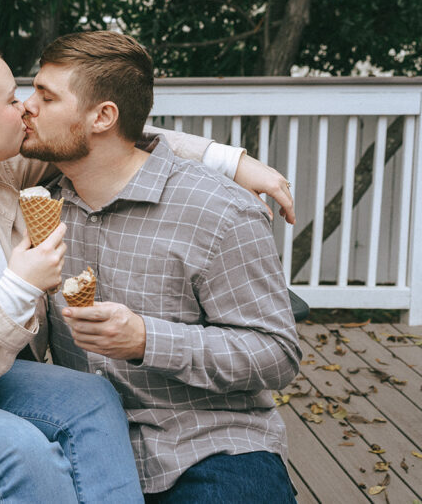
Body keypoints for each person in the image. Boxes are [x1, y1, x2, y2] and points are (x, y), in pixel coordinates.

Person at [0, 39, 282, 503]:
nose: (26, 109)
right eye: (13, 98)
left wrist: (231, 161)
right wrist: (18, 286)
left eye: (41, 96)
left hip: (191, 435)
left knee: (90, 400)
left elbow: (124, 135)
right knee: (21, 453)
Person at [21, 31, 302, 503]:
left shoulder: (219, 211)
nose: (27, 106)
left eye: (45, 97)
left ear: (103, 117)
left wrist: (149, 341)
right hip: (82, 444)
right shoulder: (37, 209)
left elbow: (276, 353)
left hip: (208, 442)